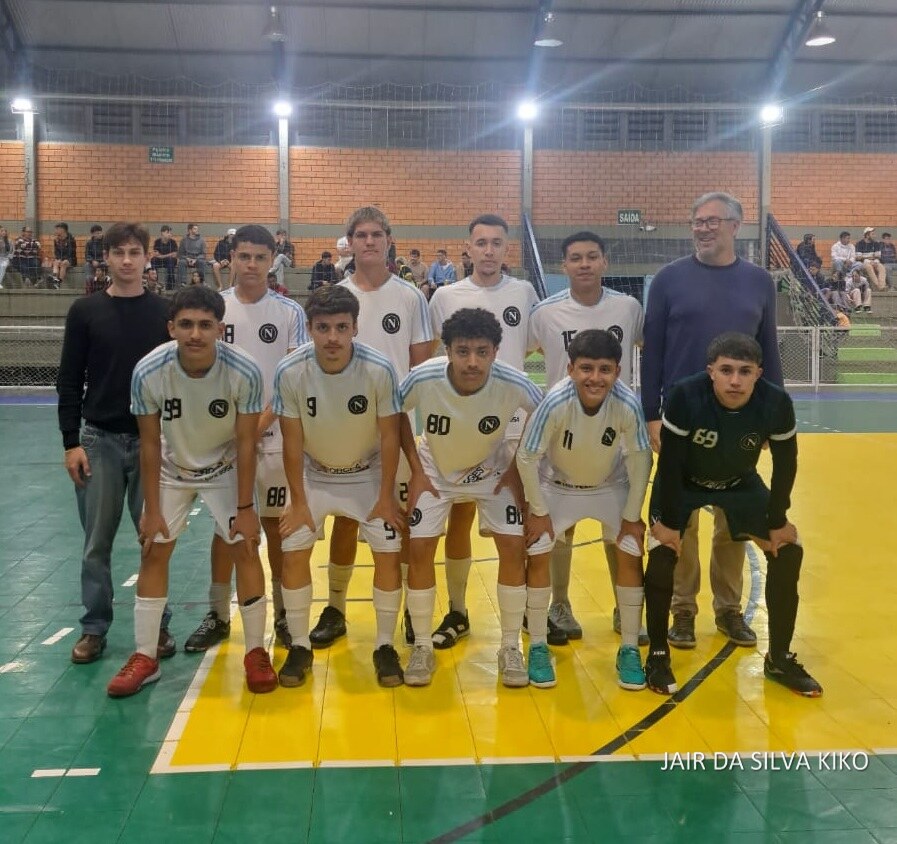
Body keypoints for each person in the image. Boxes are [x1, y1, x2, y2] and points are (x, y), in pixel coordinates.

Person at [108, 285, 275, 697]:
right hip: (172, 469)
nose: (195, 333)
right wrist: (151, 509)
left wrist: (245, 507)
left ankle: (255, 651)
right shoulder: (149, 370)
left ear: (220, 328)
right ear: (171, 328)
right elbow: (149, 443)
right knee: (154, 550)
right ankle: (145, 656)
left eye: (204, 324)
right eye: (186, 324)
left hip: (225, 467)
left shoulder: (244, 370)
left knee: (245, 546)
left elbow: (246, 442)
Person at [641, 192, 784, 652]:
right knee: (679, 518)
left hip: (740, 419)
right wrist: (651, 414)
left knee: (733, 518)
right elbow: (652, 352)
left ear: (735, 226)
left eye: (712, 221)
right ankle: (682, 609)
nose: (702, 229)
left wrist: (771, 415)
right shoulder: (668, 279)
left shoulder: (759, 282)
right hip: (680, 420)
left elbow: (769, 351)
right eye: (697, 221)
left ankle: (728, 609)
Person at [644, 332, 821, 699]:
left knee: (788, 550)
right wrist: (670, 523)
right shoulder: (685, 395)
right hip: (683, 482)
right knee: (662, 552)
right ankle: (658, 656)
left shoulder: (775, 402)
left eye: (745, 371)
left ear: (759, 373)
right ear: (711, 371)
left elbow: (786, 463)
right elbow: (671, 463)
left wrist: (778, 520)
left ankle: (779, 659)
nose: (735, 380)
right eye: (726, 370)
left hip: (739, 482)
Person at [399, 307, 542, 687]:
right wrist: (415, 468)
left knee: (513, 547)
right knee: (419, 548)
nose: (472, 362)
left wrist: (516, 466)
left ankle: (510, 647)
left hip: (492, 470)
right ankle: (422, 646)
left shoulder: (514, 381)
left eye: (482, 351)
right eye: (462, 351)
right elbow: (392, 411)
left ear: (495, 351)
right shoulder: (423, 376)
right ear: (447, 350)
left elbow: (545, 414)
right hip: (435, 470)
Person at [310, 206, 432, 649]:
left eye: (376, 234)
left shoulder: (411, 297)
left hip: (395, 428)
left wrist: (410, 428)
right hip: (344, 426)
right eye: (360, 235)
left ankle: (407, 608)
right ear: (350, 242)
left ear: (388, 240)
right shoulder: (336, 297)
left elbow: (420, 369)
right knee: (345, 520)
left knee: (399, 519)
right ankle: (335, 607)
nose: (368, 241)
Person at [183, 225, 307, 655]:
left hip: (272, 439)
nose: (251, 265)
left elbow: (291, 382)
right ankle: (218, 614)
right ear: (231, 258)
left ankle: (284, 614)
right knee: (226, 529)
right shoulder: (215, 311)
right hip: (224, 443)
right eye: (244, 256)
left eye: (260, 257)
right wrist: (229, 433)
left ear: (272, 260)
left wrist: (252, 429)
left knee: (275, 528)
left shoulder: (290, 313)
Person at [273, 285, 406, 688]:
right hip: (314, 474)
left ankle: (384, 645)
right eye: (323, 327)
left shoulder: (379, 368)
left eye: (341, 327)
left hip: (367, 474)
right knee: (294, 546)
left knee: (388, 552)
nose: (332, 337)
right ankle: (299, 646)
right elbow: (291, 441)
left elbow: (390, 437)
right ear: (310, 328)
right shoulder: (290, 370)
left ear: (355, 328)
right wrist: (298, 502)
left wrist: (385, 497)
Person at [56, 221, 174, 665]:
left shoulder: (165, 313)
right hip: (98, 440)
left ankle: (156, 625)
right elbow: (69, 380)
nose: (126, 260)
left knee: (154, 539)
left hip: (152, 441)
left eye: (134, 252)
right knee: (96, 543)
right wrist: (71, 442)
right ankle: (94, 627)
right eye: (118, 252)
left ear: (147, 257)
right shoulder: (84, 311)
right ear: (105, 257)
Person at [424, 214, 538, 650]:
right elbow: (437, 356)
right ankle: (457, 610)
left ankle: (524, 608)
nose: (489, 250)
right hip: (458, 426)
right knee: (459, 516)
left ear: (507, 249)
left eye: (496, 243)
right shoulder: (445, 297)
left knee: (519, 520)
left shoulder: (523, 293)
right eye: (481, 243)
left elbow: (528, 347)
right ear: (468, 248)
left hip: (511, 428)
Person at [527, 231, 645, 646]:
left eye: (592, 256)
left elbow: (647, 348)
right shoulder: (544, 313)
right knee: (561, 527)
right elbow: (522, 354)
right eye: (575, 258)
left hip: (616, 432)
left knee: (621, 521)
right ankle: (559, 604)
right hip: (562, 433)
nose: (584, 264)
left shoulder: (628, 307)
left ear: (604, 262)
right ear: (564, 266)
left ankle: (623, 607)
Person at [517, 330, 652, 689]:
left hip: (609, 485)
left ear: (618, 371)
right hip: (558, 485)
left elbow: (641, 457)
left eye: (605, 369)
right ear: (571, 369)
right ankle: (538, 646)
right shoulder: (555, 401)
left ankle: (629, 649)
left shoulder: (627, 403)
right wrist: (538, 510)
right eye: (586, 368)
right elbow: (526, 456)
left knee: (630, 549)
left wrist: (632, 517)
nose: (595, 378)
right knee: (539, 549)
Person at [855, 227, 887, 291]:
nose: (875, 236)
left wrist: (875, 261)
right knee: (869, 267)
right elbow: (859, 257)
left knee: (881, 267)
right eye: (872, 234)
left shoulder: (876, 243)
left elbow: (878, 256)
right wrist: (870, 260)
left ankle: (882, 286)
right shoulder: (859, 244)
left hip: (875, 261)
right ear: (867, 235)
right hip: (864, 263)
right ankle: (879, 286)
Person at [47, 222, 77, 288]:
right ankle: (55, 278)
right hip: (61, 259)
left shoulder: (71, 240)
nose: (56, 231)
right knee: (56, 262)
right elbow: (56, 252)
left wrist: (62, 259)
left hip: (70, 259)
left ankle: (59, 282)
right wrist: (58, 259)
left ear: (63, 230)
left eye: (57, 229)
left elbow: (71, 253)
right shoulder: (56, 240)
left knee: (64, 263)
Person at [151, 225, 179, 289]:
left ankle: (170, 284)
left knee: (170, 260)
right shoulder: (157, 242)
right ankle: (155, 282)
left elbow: (175, 254)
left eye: (170, 233)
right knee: (153, 260)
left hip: (170, 261)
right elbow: (156, 254)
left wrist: (162, 256)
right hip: (160, 260)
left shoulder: (173, 242)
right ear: (162, 233)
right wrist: (168, 255)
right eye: (167, 232)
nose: (170, 234)